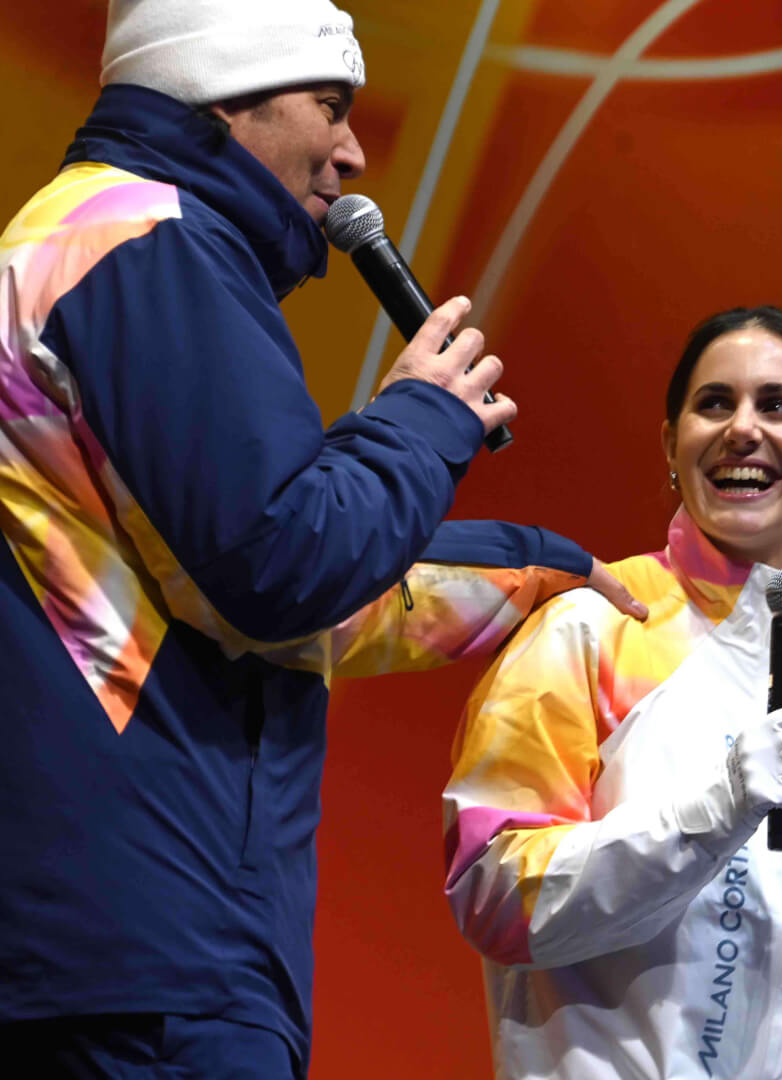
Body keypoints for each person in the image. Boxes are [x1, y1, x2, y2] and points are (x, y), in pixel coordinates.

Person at [0, 2, 644, 1075]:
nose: (352, 152)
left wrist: (537, 566)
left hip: (108, 950)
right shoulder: (146, 245)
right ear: (225, 91)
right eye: (330, 104)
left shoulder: (94, 240)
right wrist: (421, 418)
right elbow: (284, 564)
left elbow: (253, 592)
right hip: (149, 958)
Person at [443, 306, 782, 1079]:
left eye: (777, 405)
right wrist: (707, 816)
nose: (742, 429)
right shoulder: (589, 629)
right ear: (672, 443)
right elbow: (495, 894)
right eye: (714, 404)